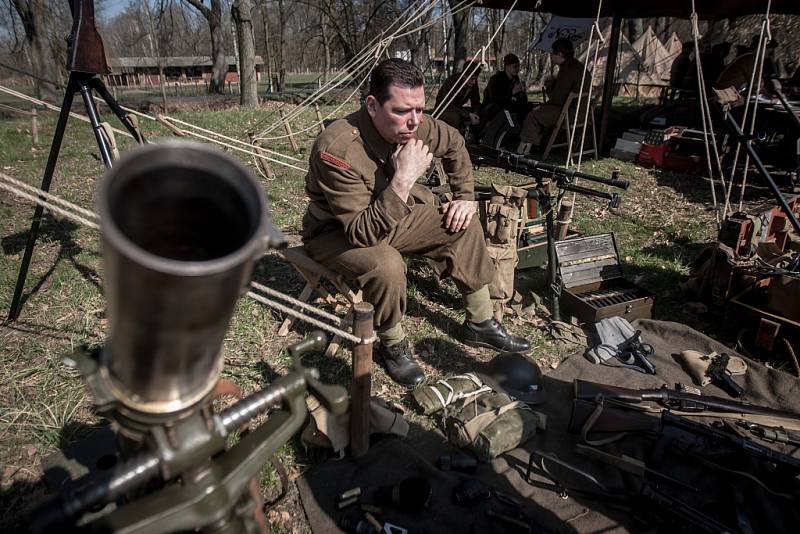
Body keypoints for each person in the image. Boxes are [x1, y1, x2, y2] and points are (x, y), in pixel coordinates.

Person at [301, 58, 531, 388]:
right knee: (387, 264)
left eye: (420, 109)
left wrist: (464, 196)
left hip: (389, 216)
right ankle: (392, 344)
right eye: (401, 111)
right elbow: (361, 232)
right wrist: (404, 179)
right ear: (372, 106)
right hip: (336, 232)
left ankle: (481, 323)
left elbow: (454, 144)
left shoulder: (413, 124)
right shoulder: (338, 149)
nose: (414, 121)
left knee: (461, 222)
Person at [517, 38, 586, 154]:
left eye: (552, 53)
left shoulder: (567, 70)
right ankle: (537, 144)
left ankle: (522, 151)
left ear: (559, 54)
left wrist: (543, 104)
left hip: (571, 113)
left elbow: (558, 99)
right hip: (583, 111)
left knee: (533, 115)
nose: (551, 56)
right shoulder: (577, 66)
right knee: (539, 111)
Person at [434, 62, 482, 135]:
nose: (474, 82)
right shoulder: (452, 82)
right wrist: (468, 114)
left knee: (483, 112)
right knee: (455, 118)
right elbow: (447, 104)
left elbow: (476, 102)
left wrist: (475, 113)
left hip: (458, 109)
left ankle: (475, 138)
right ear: (464, 76)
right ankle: (455, 140)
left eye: (475, 79)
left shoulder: (473, 84)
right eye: (472, 79)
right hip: (443, 109)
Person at [481, 53, 529, 124]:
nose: (518, 69)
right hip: (492, 107)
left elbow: (521, 99)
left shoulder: (515, 79)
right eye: (515, 66)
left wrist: (522, 93)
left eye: (518, 66)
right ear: (507, 67)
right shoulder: (496, 79)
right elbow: (494, 98)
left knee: (528, 106)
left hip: (507, 104)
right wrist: (512, 93)